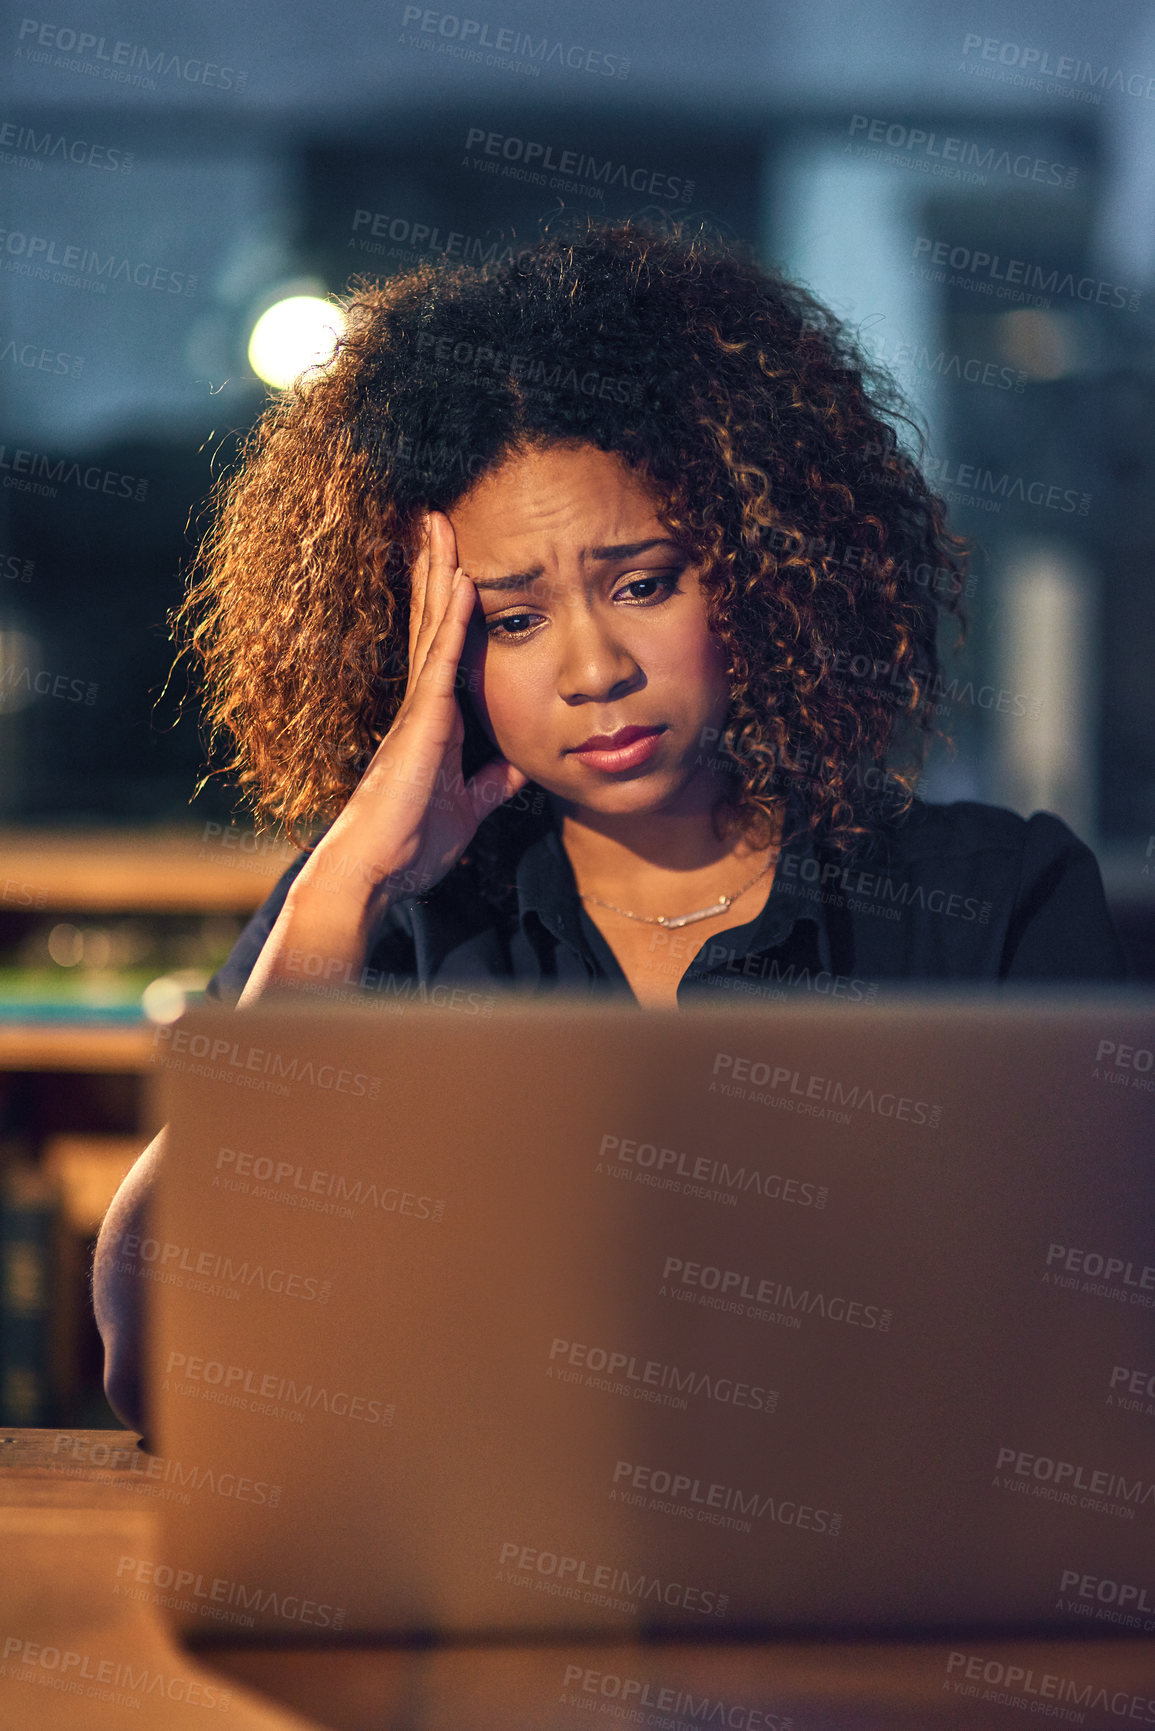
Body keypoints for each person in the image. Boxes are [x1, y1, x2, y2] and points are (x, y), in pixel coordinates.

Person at [94, 218, 1125, 1431]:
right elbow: (152, 1358)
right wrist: (349, 882)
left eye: (643, 583)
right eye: (513, 621)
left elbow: (1095, 1368)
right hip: (478, 1594)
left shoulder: (995, 905)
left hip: (881, 1601)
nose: (595, 670)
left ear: (759, 567)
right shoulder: (382, 926)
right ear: (422, 649)